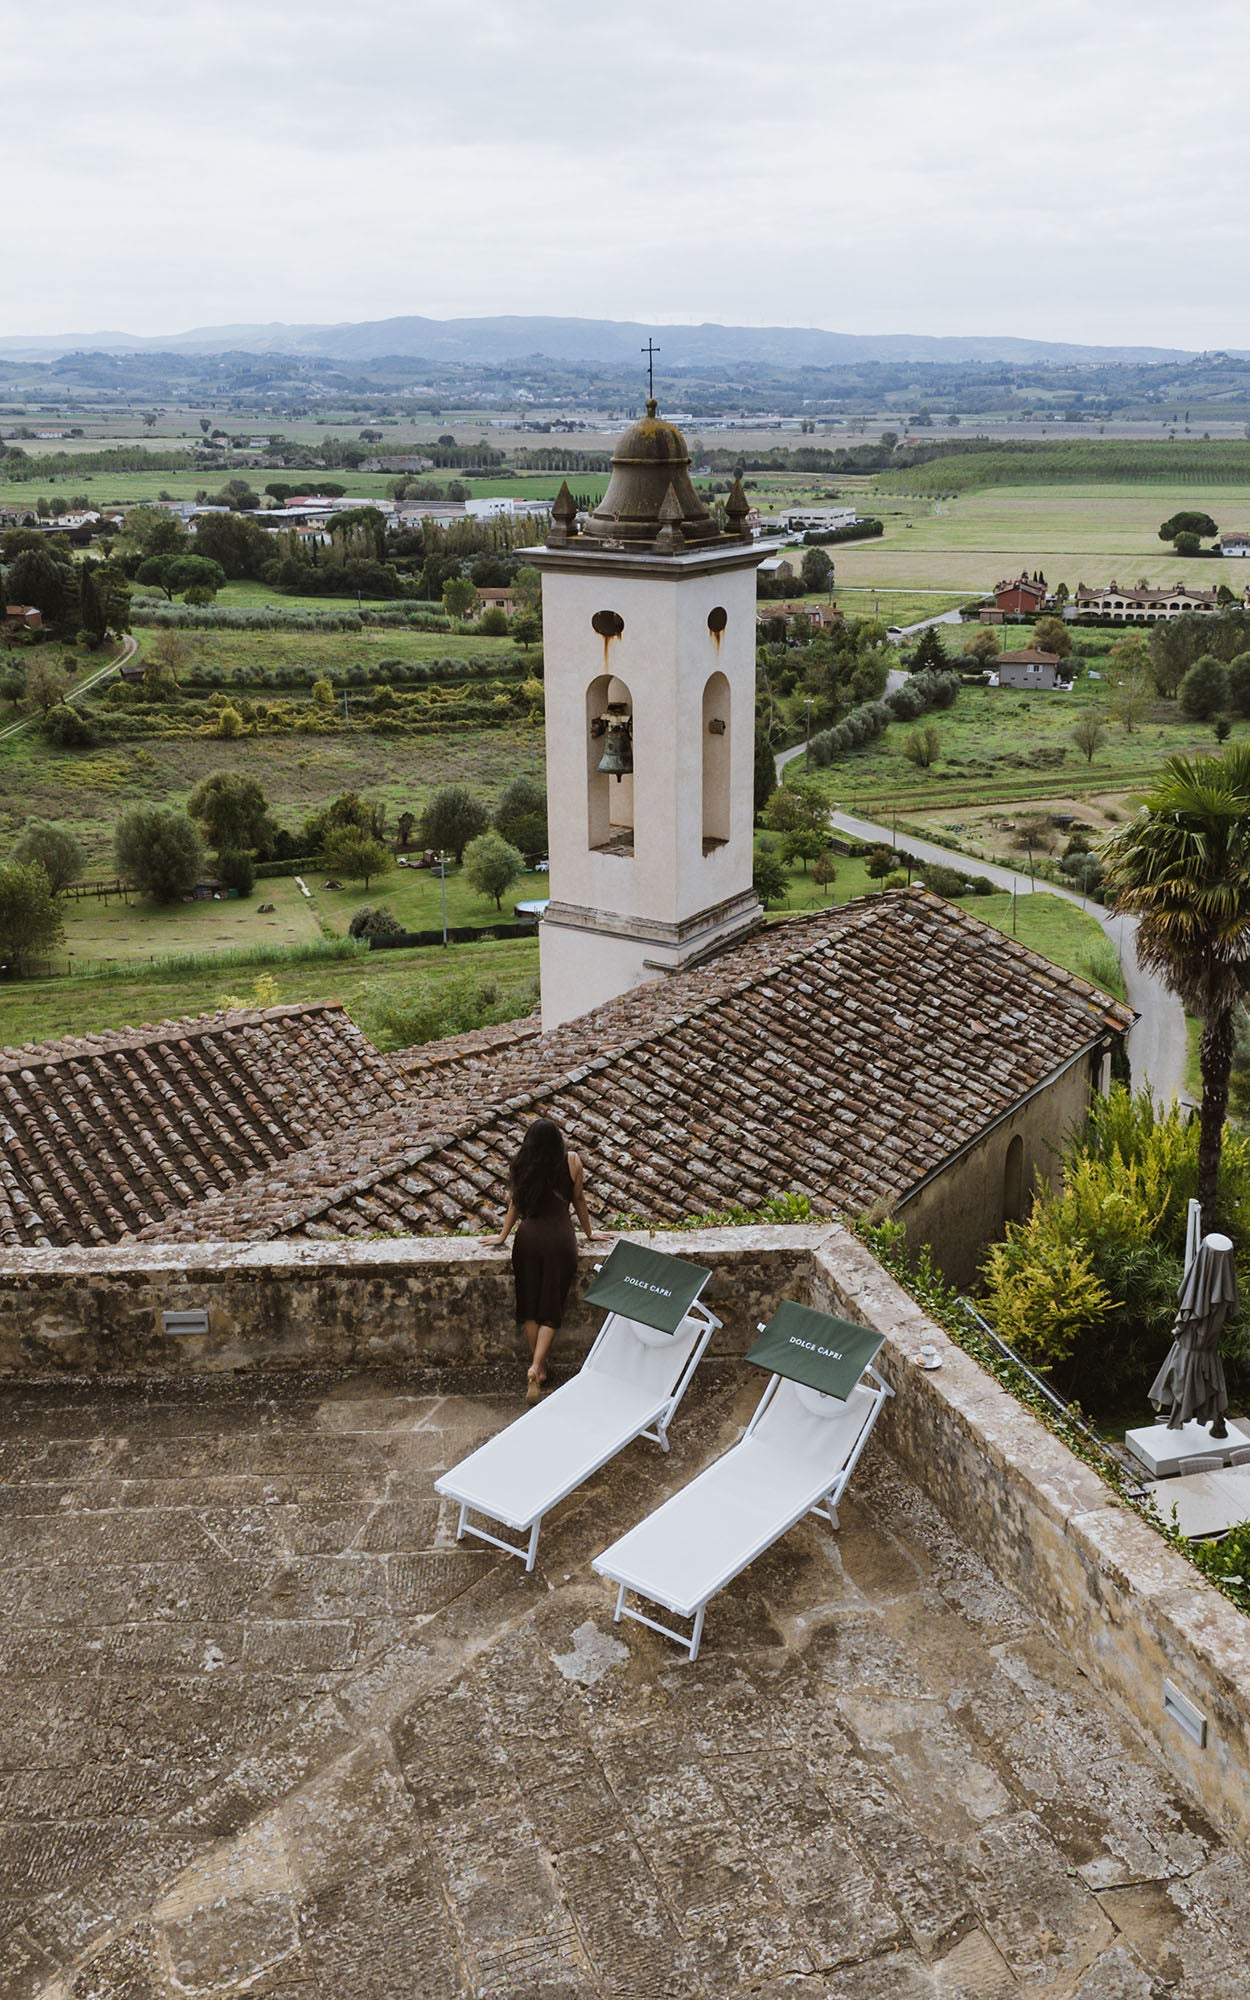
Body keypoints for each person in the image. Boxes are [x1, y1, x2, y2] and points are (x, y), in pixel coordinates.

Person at [481, 1118, 608, 1402]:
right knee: (551, 1305)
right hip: (559, 1240)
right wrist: (589, 1232)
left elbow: (515, 1203)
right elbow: (579, 1201)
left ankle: (539, 1369)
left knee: (530, 1307)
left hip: (527, 1240)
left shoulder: (522, 1165)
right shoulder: (572, 1161)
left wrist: (502, 1236)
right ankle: (536, 1367)